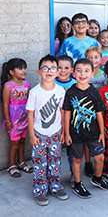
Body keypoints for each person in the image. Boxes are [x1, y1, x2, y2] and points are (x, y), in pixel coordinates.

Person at [63, 58, 108, 199]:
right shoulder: (70, 92)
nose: (82, 74)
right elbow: (66, 114)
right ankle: (78, 184)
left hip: (94, 133)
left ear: (92, 74)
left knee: (100, 157)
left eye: (86, 71)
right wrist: (66, 133)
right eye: (79, 71)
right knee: (77, 159)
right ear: (73, 73)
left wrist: (102, 132)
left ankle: (97, 178)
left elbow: (99, 114)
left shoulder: (94, 92)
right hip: (76, 134)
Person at [26, 54, 68, 206]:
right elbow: (30, 114)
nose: (49, 71)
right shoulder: (34, 92)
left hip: (56, 133)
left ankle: (55, 187)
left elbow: (63, 112)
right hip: (39, 134)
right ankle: (40, 190)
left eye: (52, 68)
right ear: (39, 72)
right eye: (45, 68)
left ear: (57, 72)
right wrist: (31, 134)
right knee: (39, 164)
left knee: (55, 162)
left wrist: (63, 132)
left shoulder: (61, 91)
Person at [1, 58, 32, 177]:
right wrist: (7, 120)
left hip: (24, 118)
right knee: (15, 143)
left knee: (23, 140)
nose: (24, 71)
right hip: (14, 120)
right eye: (20, 69)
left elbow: (29, 101)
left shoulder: (26, 84)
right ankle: (11, 165)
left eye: (24, 68)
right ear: (11, 72)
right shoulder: (8, 86)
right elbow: (5, 104)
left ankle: (21, 162)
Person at [54, 55, 77, 187]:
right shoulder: (52, 83)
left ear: (72, 69)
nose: (63, 71)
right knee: (55, 153)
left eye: (66, 68)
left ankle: (74, 175)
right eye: (59, 68)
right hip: (56, 125)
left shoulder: (75, 84)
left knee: (72, 153)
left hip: (72, 125)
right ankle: (54, 177)